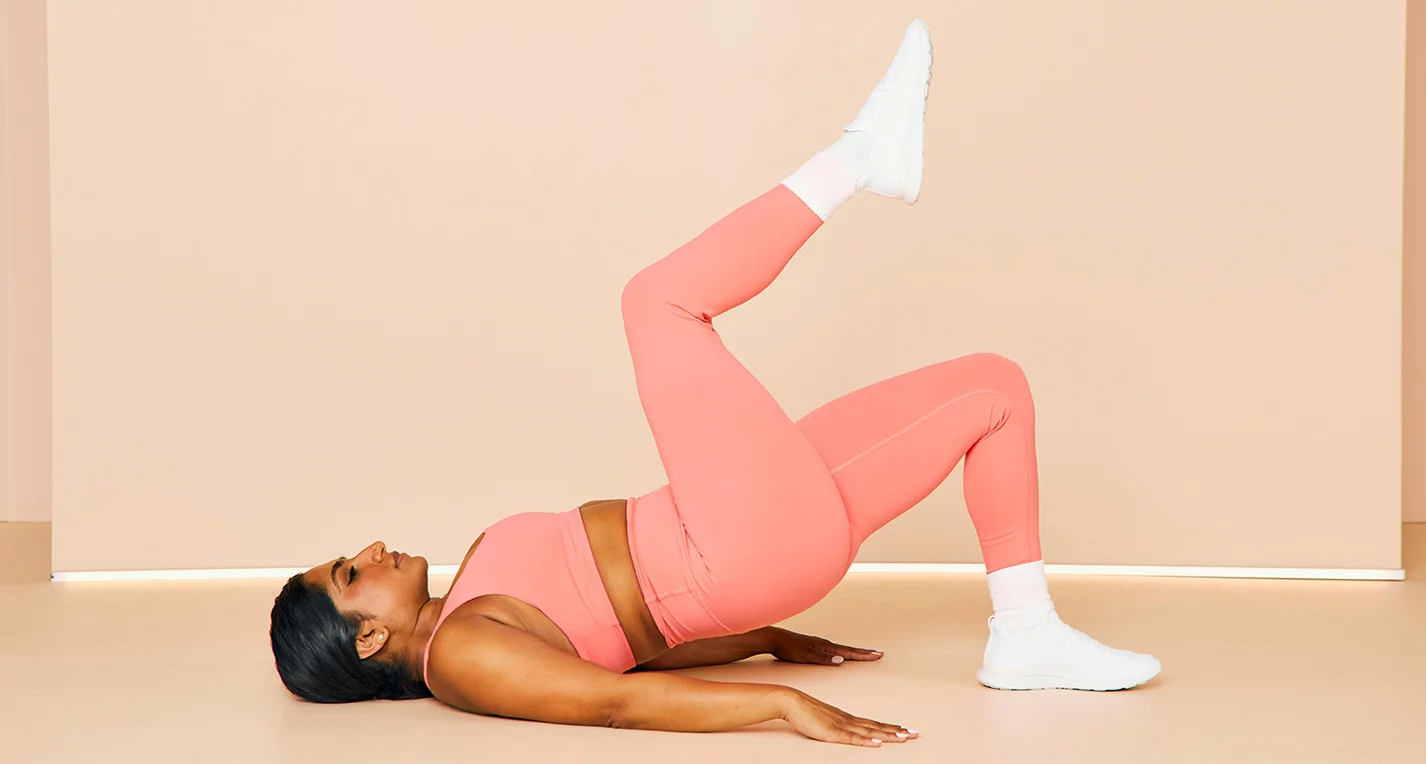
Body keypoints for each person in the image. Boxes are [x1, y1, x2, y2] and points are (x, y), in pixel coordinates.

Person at [269, 19, 1160, 747]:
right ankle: (857, 159)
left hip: (742, 537)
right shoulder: (460, 658)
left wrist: (764, 641)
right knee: (654, 303)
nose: (372, 549)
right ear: (368, 637)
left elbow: (623, 649)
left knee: (992, 392)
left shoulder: (468, 597)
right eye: (351, 573)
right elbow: (610, 701)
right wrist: (778, 707)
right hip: (731, 548)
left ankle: (1026, 633)